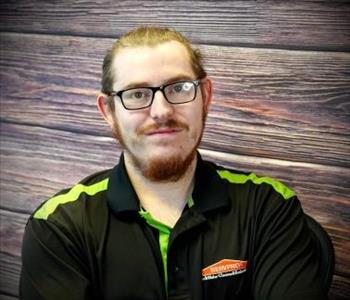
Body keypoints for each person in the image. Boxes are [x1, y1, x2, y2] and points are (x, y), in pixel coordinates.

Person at [20, 26, 327, 300]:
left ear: (205, 96)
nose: (162, 111)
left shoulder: (270, 207)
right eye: (137, 93)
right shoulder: (58, 227)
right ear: (109, 111)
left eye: (179, 88)